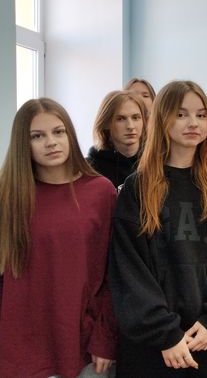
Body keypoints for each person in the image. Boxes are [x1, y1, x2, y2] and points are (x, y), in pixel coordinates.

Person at [109, 80, 207, 378]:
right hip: (153, 345)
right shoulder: (137, 188)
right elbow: (129, 271)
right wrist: (165, 333)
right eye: (181, 114)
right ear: (162, 119)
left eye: (201, 115)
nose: (193, 123)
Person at [0, 98, 117, 378]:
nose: (51, 142)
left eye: (58, 131)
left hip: (83, 345)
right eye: (37, 136)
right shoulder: (9, 196)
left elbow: (115, 273)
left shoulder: (101, 192)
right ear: (23, 144)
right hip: (19, 347)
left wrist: (105, 337)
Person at [88, 90, 147, 188]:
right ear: (106, 123)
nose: (130, 126)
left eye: (136, 118)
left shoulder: (157, 160)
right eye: (121, 119)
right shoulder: (93, 168)